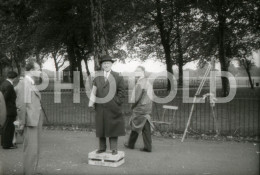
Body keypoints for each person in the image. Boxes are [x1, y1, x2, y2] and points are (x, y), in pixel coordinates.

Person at [89, 55, 125, 155]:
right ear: (101, 65)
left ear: (111, 64)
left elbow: (122, 92)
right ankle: (102, 148)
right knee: (101, 127)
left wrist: (117, 102)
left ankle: (114, 148)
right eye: (104, 63)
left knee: (113, 127)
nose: (106, 65)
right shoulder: (97, 77)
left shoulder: (118, 76)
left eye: (108, 63)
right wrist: (92, 103)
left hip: (113, 107)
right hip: (100, 107)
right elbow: (94, 91)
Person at [16, 60, 43, 175]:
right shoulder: (24, 83)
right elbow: (21, 106)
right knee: (30, 150)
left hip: (35, 119)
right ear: (31, 71)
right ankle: (29, 172)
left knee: (35, 149)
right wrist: (21, 124)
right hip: (30, 121)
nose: (40, 72)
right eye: (38, 69)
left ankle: (32, 171)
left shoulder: (30, 82)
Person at [124, 66, 154, 152]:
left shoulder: (140, 83)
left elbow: (136, 98)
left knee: (136, 125)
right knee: (143, 126)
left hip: (140, 108)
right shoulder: (147, 81)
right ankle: (134, 144)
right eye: (135, 71)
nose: (136, 72)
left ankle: (132, 144)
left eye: (139, 71)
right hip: (146, 107)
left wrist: (132, 106)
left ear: (143, 72)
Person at [0, 71, 19, 149]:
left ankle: (3, 142)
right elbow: (5, 98)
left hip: (5, 109)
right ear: (14, 78)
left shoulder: (3, 83)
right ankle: (7, 144)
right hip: (9, 109)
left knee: (5, 127)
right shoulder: (10, 86)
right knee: (9, 127)